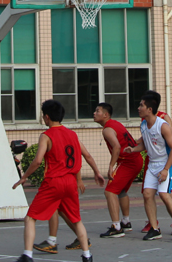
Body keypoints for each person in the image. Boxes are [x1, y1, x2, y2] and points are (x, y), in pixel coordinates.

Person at [12, 99, 105, 262]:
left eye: (43, 116)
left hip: (54, 182)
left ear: (47, 117)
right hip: (70, 182)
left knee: (30, 217)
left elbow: (37, 161)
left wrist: (24, 177)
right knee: (76, 220)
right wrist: (97, 172)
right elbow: (87, 155)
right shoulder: (72, 135)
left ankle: (27, 255)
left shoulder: (46, 136)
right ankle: (87, 255)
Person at [124, 91, 172, 241]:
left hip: (166, 163)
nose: (138, 108)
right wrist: (134, 149)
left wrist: (165, 170)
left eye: (141, 105)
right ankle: (154, 229)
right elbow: (146, 143)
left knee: (164, 194)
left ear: (149, 109)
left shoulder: (163, 125)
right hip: (152, 164)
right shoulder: (144, 125)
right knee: (147, 194)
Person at [94, 102, 144, 238]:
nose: (94, 113)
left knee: (110, 192)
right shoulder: (116, 124)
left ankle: (116, 228)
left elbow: (116, 147)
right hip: (136, 159)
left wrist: (111, 166)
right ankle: (125, 222)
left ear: (105, 115)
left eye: (97, 111)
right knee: (120, 191)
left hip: (128, 162)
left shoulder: (107, 129)